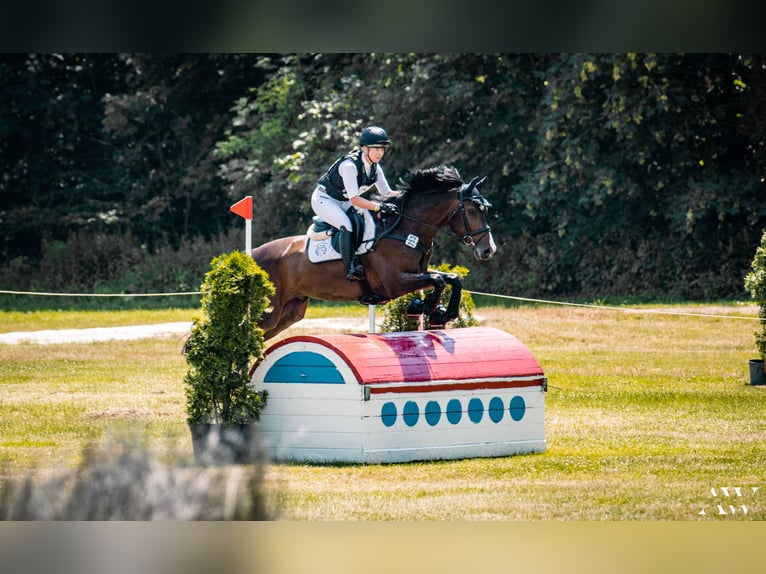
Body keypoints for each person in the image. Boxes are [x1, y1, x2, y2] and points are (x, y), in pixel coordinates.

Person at [311, 126, 400, 281]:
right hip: (324, 200)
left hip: (343, 202)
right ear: (364, 148)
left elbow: (387, 193)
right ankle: (350, 268)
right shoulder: (349, 166)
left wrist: (410, 194)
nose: (380, 153)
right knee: (347, 224)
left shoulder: (374, 168)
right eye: (376, 148)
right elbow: (355, 199)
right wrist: (378, 206)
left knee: (365, 222)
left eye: (382, 149)